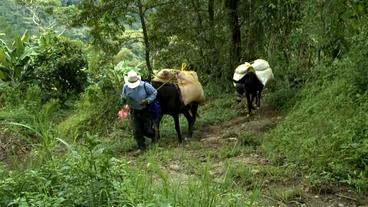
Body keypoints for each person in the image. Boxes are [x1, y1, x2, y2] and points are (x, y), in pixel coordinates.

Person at [121, 70, 158, 151]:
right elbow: (123, 97)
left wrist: (147, 100)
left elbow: (154, 92)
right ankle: (141, 147)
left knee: (147, 130)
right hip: (134, 111)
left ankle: (154, 135)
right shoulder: (125, 87)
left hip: (145, 111)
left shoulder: (145, 85)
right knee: (136, 131)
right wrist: (123, 108)